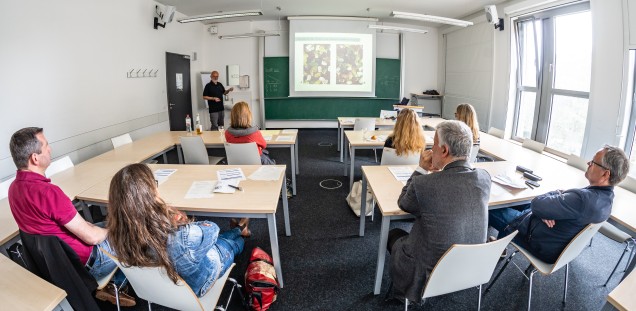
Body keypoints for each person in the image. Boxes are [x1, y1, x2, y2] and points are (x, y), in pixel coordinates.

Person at [7, 127, 135, 306]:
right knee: (132, 233)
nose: (50, 149)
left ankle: (109, 287)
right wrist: (116, 230)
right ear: (35, 158)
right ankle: (116, 284)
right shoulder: (48, 193)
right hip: (85, 264)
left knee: (102, 224)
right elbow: (91, 237)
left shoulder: (13, 189)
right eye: (46, 145)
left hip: (56, 266)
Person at [387, 120, 491, 303]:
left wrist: (421, 169)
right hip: (471, 268)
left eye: (434, 144)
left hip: (428, 271)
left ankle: (402, 295)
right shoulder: (484, 178)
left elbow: (404, 203)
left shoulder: (424, 184)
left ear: (444, 150)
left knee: (393, 234)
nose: (431, 149)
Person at [106, 163, 245, 297]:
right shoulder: (183, 236)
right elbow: (213, 229)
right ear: (150, 193)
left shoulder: (118, 235)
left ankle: (239, 230)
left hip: (162, 291)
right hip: (201, 281)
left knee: (214, 241)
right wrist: (184, 222)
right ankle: (240, 231)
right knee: (234, 243)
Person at [489, 145, 630, 263]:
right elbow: (548, 207)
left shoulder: (582, 200)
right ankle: (498, 247)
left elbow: (537, 204)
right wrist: (547, 211)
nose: (588, 163)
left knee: (489, 207)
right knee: (520, 202)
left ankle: (486, 252)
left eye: (593, 162)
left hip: (536, 239)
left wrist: (553, 198)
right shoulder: (607, 199)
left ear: (606, 174)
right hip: (554, 241)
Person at [225, 101, 274, 166]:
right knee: (277, 167)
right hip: (257, 162)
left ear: (232, 116)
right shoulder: (254, 133)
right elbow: (264, 145)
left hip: (236, 162)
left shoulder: (227, 133)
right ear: (248, 116)